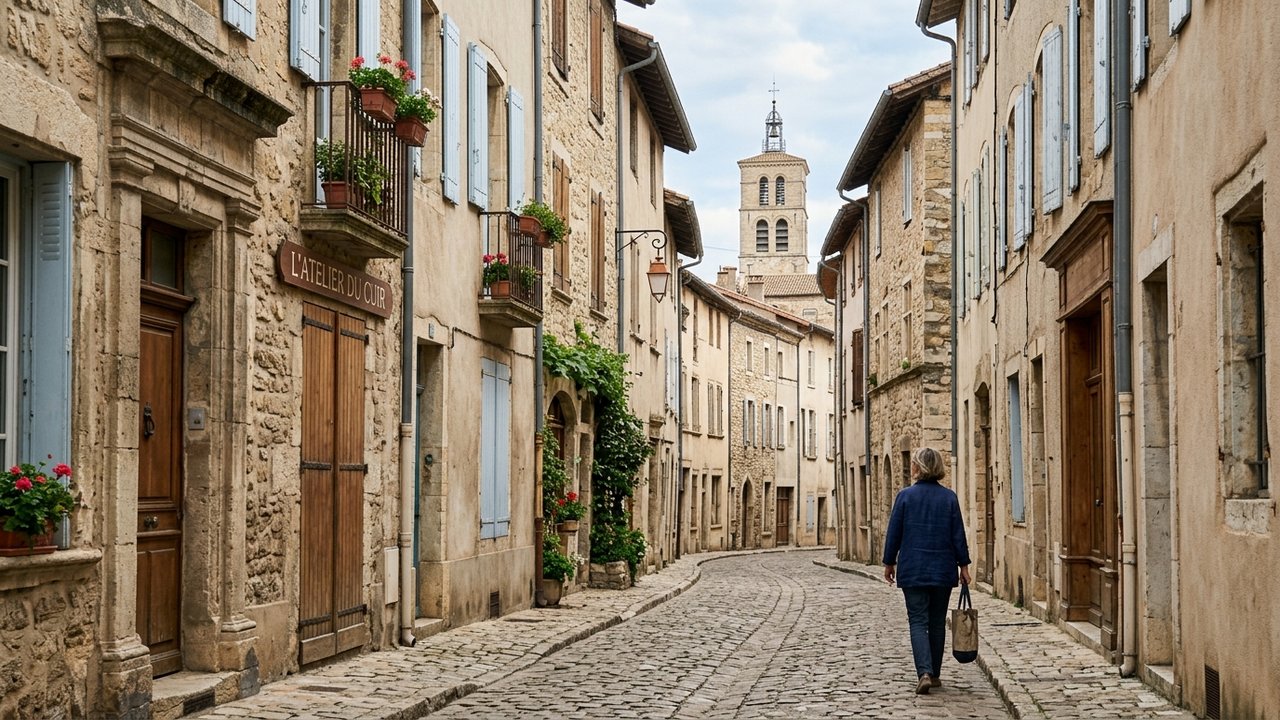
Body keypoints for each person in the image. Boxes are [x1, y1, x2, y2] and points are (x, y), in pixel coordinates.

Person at [882, 446, 972, 695]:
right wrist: (964, 566)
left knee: (918, 620)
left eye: (913, 463)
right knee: (936, 621)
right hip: (942, 570)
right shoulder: (949, 498)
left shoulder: (905, 497)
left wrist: (889, 562)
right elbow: (958, 536)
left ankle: (923, 672)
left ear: (918, 467)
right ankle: (934, 674)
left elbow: (894, 533)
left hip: (913, 570)